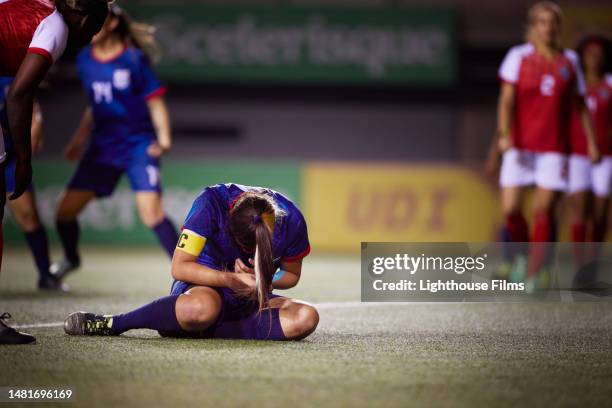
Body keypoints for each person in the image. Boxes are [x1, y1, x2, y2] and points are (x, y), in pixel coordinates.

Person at [64, 183, 319, 341]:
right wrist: (230, 279)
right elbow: (180, 267)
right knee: (199, 309)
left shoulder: (293, 220)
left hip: (254, 298)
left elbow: (291, 275)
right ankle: (113, 323)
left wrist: (262, 280)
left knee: (306, 318)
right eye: (245, 247)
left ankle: (198, 329)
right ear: (229, 224)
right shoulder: (210, 204)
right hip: (205, 288)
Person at [0, 0, 111, 344]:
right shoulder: (56, 25)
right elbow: (18, 95)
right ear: (85, 19)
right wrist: (23, 159)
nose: (91, 39)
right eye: (93, 29)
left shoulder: (29, 5)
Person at [50, 4, 179, 280]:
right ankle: (71, 259)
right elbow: (95, 105)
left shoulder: (133, 59)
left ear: (108, 25)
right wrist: (78, 140)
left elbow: (155, 102)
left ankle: (188, 273)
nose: (86, 25)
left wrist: (164, 139)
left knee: (152, 214)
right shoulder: (85, 59)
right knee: (64, 213)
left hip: (137, 145)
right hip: (102, 148)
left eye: (92, 20)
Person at [493, 2, 599, 292]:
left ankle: (535, 273)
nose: (547, 27)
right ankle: (524, 257)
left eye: (552, 22)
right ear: (533, 26)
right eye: (542, 21)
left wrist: (590, 142)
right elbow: (506, 100)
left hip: (554, 148)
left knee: (543, 211)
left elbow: (580, 105)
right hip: (521, 146)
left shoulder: (570, 61)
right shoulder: (518, 57)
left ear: (559, 27)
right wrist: (504, 134)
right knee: (512, 210)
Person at [1, 77, 64, 290]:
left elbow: (32, 107)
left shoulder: (12, 77)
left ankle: (46, 275)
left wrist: (36, 122)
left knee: (28, 214)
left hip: (11, 155)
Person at [567, 35, 612, 286]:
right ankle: (580, 268)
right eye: (589, 53)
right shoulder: (574, 85)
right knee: (580, 208)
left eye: (599, 54)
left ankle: (592, 267)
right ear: (582, 57)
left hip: (606, 156)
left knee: (600, 214)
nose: (594, 58)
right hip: (577, 155)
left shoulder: (610, 84)